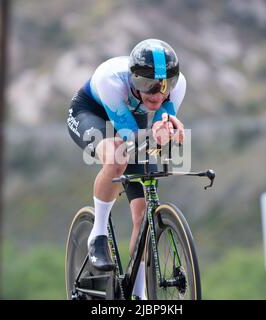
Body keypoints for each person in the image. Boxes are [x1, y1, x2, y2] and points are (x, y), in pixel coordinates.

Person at [66, 39, 186, 299]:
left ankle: (139, 295)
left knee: (143, 216)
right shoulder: (112, 80)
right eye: (147, 85)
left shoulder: (178, 86)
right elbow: (131, 137)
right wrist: (155, 136)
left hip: (132, 122)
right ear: (133, 80)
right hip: (92, 113)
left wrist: (165, 130)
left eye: (164, 86)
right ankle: (97, 234)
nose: (156, 93)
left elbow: (161, 123)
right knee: (118, 154)